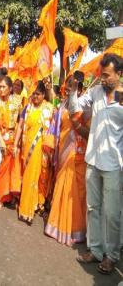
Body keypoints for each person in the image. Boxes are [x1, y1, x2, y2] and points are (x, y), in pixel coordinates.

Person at [70, 53, 123, 274]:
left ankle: (111, 256)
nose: (102, 79)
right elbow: (74, 108)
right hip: (93, 160)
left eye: (107, 76)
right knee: (93, 208)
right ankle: (96, 250)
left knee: (111, 213)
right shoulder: (95, 92)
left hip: (113, 166)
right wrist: (74, 89)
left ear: (119, 74)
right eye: (101, 75)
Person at [44, 78, 88, 246]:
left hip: (78, 154)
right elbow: (55, 127)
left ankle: (76, 230)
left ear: (80, 89)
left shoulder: (85, 107)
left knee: (77, 193)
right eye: (67, 87)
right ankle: (57, 225)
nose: (68, 90)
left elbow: (86, 130)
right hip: (63, 153)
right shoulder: (61, 105)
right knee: (61, 188)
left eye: (72, 88)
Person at [13, 80, 54, 224]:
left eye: (38, 94)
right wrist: (15, 144)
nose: (35, 97)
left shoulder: (49, 109)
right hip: (27, 148)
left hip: (41, 150)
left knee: (37, 178)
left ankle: (32, 207)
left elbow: (52, 130)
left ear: (43, 95)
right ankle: (27, 208)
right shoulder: (27, 108)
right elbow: (20, 126)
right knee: (28, 177)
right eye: (33, 94)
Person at [0, 76, 24, 212]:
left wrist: (17, 142)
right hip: (2, 139)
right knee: (2, 170)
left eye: (4, 87)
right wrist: (0, 140)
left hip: (14, 139)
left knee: (14, 169)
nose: (1, 89)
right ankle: (1, 198)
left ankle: (13, 196)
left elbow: (20, 122)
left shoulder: (17, 101)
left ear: (10, 88)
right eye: (0, 87)